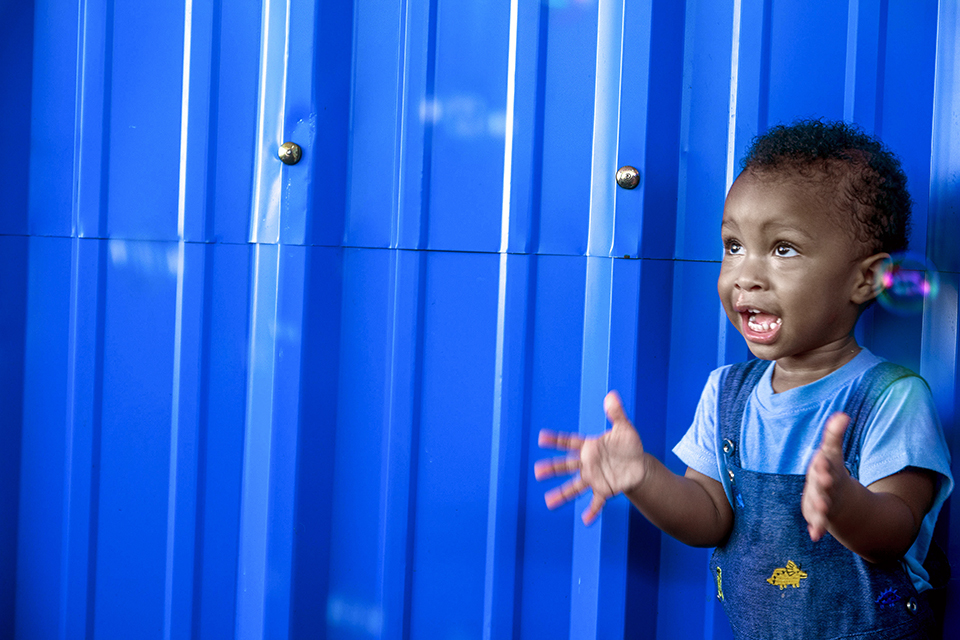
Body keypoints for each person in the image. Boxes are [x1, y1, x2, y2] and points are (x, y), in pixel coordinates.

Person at [535, 120, 953, 639]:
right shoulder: (727, 393)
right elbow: (710, 516)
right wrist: (644, 477)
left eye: (783, 249)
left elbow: (894, 530)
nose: (745, 275)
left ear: (865, 279)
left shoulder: (890, 397)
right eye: (733, 246)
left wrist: (846, 506)